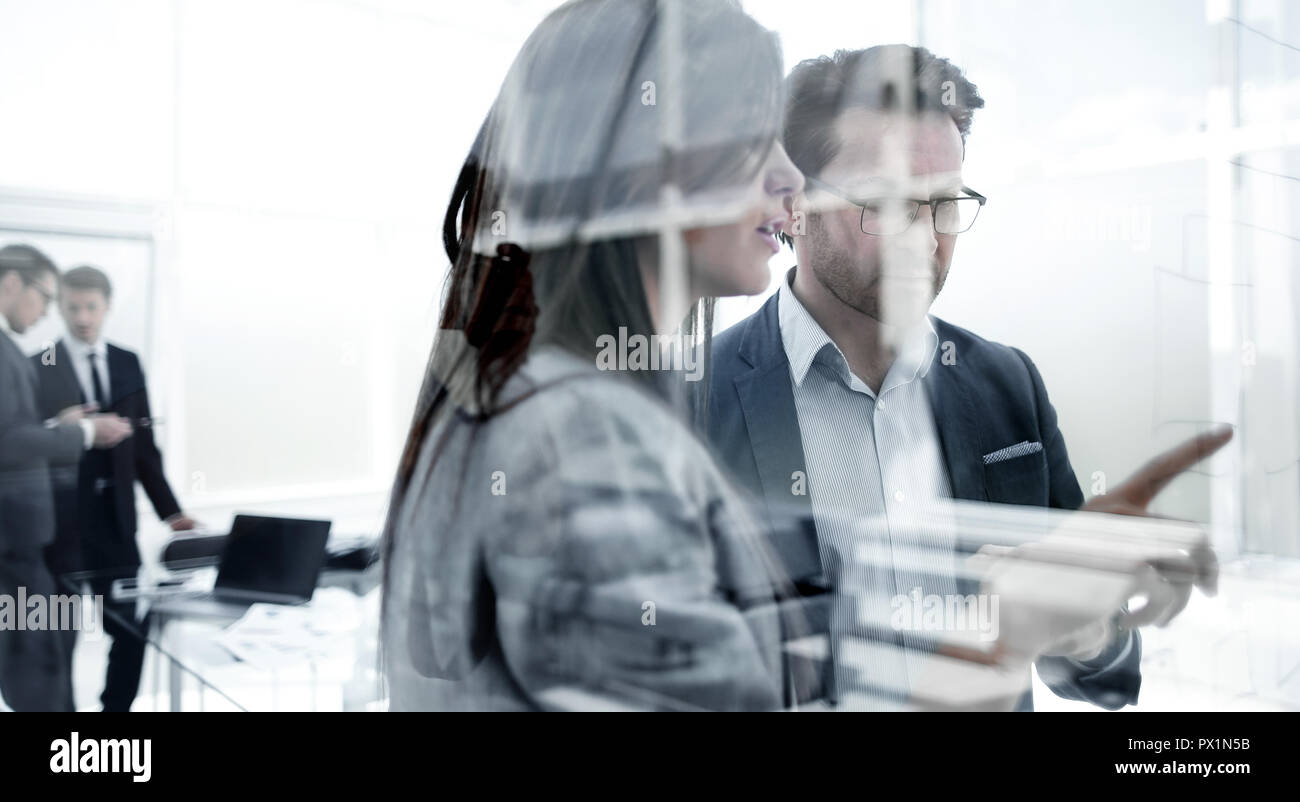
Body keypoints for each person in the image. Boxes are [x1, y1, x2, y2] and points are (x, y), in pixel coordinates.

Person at [705, 45, 1228, 709]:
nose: (925, 244)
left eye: (945, 204)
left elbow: (1103, 676)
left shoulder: (1007, 386)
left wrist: (1090, 635)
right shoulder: (693, 404)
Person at [381, 0, 817, 711]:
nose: (792, 177)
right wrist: (1003, 632)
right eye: (755, 135)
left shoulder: (505, 392)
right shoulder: (583, 431)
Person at [30, 264, 195, 712]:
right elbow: (21, 438)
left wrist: (171, 513)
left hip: (116, 527)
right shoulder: (40, 361)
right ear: (60, 307)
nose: (82, 317)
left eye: (91, 307)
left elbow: (144, 448)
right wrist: (61, 427)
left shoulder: (126, 361)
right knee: (56, 635)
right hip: (61, 530)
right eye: (72, 307)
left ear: (106, 308)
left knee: (129, 630)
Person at [0, 244, 131, 711]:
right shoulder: (10, 353)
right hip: (18, 548)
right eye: (48, 298)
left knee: (42, 662)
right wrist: (84, 432)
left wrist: (55, 428)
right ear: (13, 283)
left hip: (30, 548)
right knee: (40, 671)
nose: (45, 315)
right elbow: (9, 442)